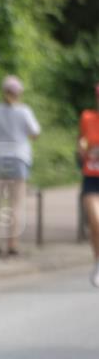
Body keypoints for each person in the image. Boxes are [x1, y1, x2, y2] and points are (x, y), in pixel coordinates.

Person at [0, 76, 41, 256]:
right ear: (19, 93)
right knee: (15, 203)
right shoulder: (24, 111)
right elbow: (35, 133)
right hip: (18, 158)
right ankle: (12, 244)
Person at [77, 84, 99, 288]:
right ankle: (98, 262)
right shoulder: (87, 118)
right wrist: (83, 150)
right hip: (92, 177)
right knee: (95, 220)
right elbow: (81, 144)